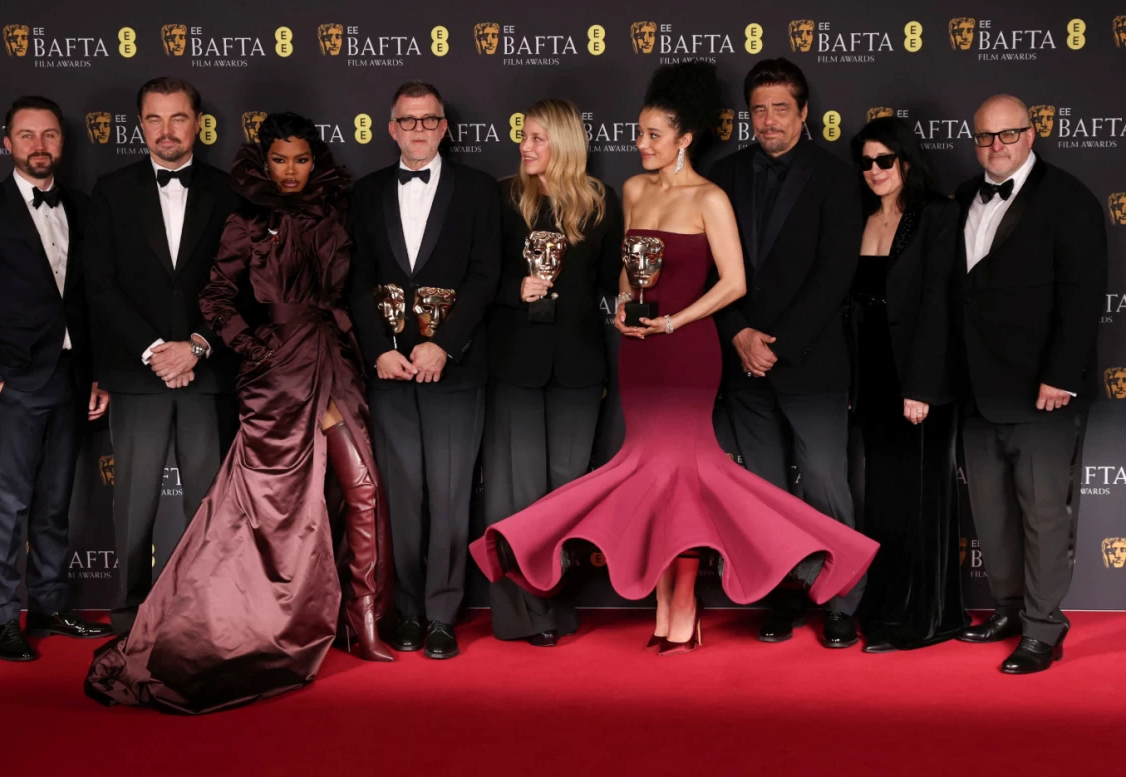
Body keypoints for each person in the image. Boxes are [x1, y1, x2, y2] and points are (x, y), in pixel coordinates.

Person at [469, 62, 877, 657]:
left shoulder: (712, 196)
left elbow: (733, 282)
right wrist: (625, 310)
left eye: (653, 135)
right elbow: (630, 275)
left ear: (684, 139)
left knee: (693, 482)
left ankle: (766, 592)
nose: (641, 146)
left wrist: (677, 322)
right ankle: (668, 604)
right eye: (638, 135)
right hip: (641, 357)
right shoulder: (632, 190)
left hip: (689, 353)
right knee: (652, 484)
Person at [85, 113, 393, 713]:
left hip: (335, 363)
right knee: (273, 511)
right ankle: (250, 620)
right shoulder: (246, 219)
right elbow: (216, 299)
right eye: (280, 159)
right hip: (276, 379)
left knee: (363, 490)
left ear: (315, 161)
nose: (291, 171)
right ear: (264, 160)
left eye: (301, 159)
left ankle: (365, 619)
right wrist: (258, 349)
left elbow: (350, 289)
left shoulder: (338, 212)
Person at [707, 58, 866, 648]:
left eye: (780, 108)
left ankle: (842, 600)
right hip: (741, 360)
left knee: (825, 485)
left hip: (811, 361)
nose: (768, 120)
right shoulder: (721, 175)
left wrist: (776, 345)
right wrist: (740, 334)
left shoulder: (835, 177)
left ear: (804, 112)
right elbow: (707, 272)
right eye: (758, 109)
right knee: (765, 492)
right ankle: (782, 595)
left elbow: (835, 275)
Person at [0, 95, 113, 661]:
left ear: (61, 144)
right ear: (7, 143)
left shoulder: (85, 208)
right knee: (12, 501)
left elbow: (91, 303)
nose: (39, 146)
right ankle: (1, 616)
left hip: (71, 378)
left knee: (54, 502)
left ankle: (47, 603)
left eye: (49, 135)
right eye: (27, 135)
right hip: (17, 381)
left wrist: (94, 375)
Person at [954, 95, 1106, 674]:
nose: (996, 146)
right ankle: (1009, 608)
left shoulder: (1069, 199)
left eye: (1008, 134)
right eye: (985, 137)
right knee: (991, 512)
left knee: (1043, 515)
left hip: (1042, 390)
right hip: (976, 386)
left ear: (1032, 132)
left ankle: (1044, 628)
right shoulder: (965, 197)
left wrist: (1061, 376)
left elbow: (1083, 295)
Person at [347, 81, 500, 660]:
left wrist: (446, 346)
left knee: (453, 494)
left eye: (428, 121)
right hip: (388, 371)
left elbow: (486, 277)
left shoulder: (480, 191)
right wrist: (377, 349)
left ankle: (442, 614)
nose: (417, 130)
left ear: (443, 128)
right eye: (407, 121)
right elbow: (356, 279)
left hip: (454, 370)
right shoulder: (364, 194)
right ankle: (407, 610)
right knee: (402, 498)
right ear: (391, 128)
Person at [83, 77, 241, 635]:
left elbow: (241, 283)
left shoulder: (230, 192)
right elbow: (99, 286)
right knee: (133, 508)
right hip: (138, 373)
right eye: (155, 119)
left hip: (207, 373)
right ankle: (129, 618)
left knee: (209, 505)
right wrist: (156, 351)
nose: (167, 130)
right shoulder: (111, 190)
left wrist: (195, 345)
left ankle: (206, 615)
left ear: (198, 122)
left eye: (178, 118)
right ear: (140, 124)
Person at [483, 99, 623, 648]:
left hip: (579, 369)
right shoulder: (501, 197)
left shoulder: (599, 203)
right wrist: (514, 292)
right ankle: (523, 614)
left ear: (564, 142)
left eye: (538, 138)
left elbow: (615, 284)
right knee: (517, 497)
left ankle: (553, 605)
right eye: (524, 136)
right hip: (516, 364)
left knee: (565, 494)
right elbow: (478, 277)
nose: (526, 146)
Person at [847, 117, 968, 653]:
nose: (874, 171)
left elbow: (940, 304)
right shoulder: (862, 217)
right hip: (871, 377)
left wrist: (920, 387)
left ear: (907, 162)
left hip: (919, 381)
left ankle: (924, 619)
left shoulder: (936, 215)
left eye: (884, 160)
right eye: (867, 162)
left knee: (922, 500)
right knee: (886, 500)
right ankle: (887, 608)